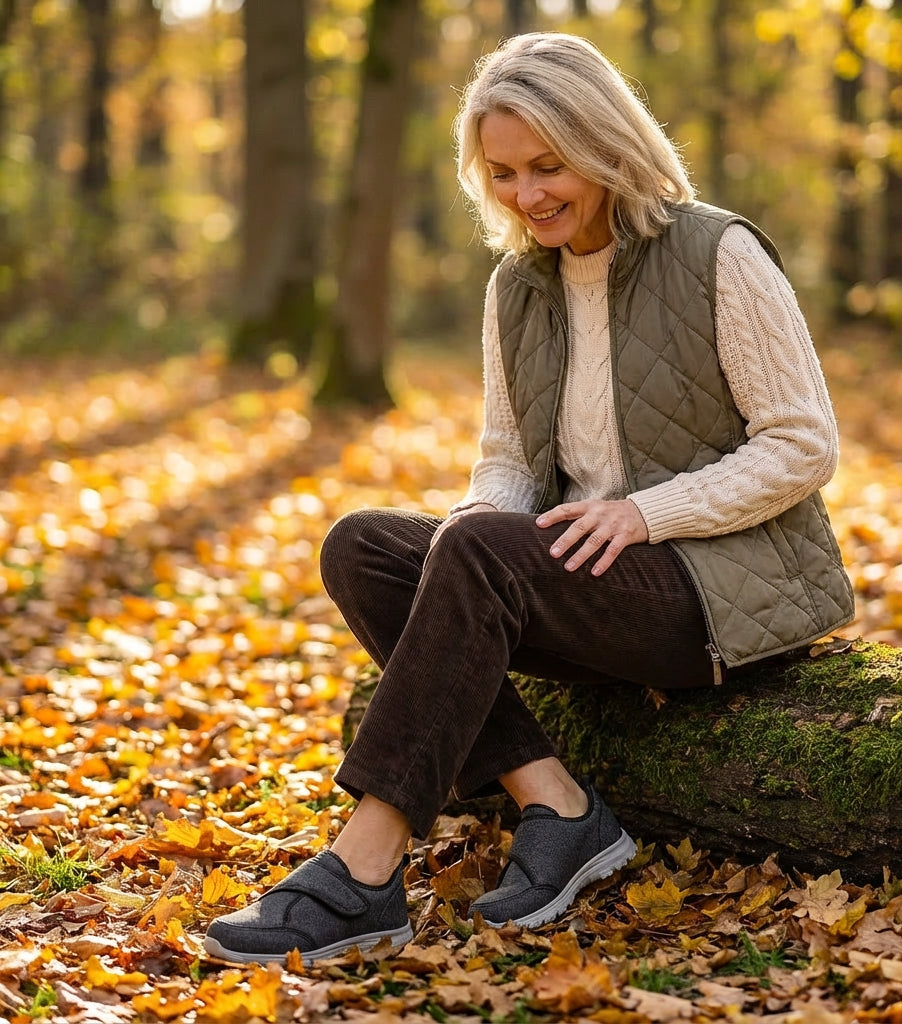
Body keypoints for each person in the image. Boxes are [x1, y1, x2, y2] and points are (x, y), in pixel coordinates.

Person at [204, 31, 855, 966]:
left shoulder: (718, 251)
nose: (527, 195)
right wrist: (475, 516)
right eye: (503, 173)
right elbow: (507, 458)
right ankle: (556, 802)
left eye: (549, 166)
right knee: (365, 544)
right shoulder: (518, 284)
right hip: (587, 580)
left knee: (472, 552)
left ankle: (367, 864)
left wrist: (645, 514)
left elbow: (803, 445)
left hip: (717, 591)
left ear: (606, 146)